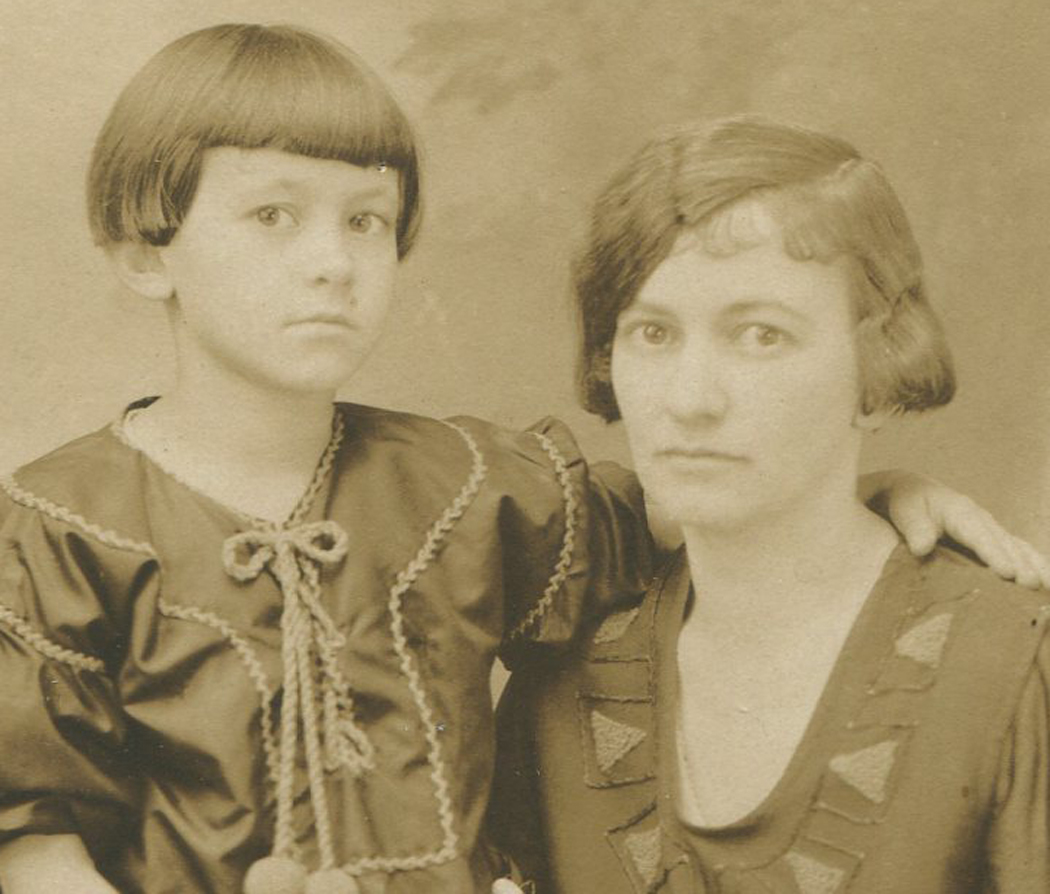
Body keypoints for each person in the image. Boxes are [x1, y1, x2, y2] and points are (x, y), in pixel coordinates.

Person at [0, 27, 1040, 894]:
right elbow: (34, 840)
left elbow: (696, 501)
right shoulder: (61, 527)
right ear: (144, 250)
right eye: (274, 215)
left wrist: (872, 486)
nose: (330, 262)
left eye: (366, 220)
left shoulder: (463, 482)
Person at [488, 117, 1050, 893]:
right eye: (653, 333)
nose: (691, 399)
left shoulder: (1007, 669)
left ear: (878, 371)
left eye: (762, 336)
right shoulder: (565, 674)